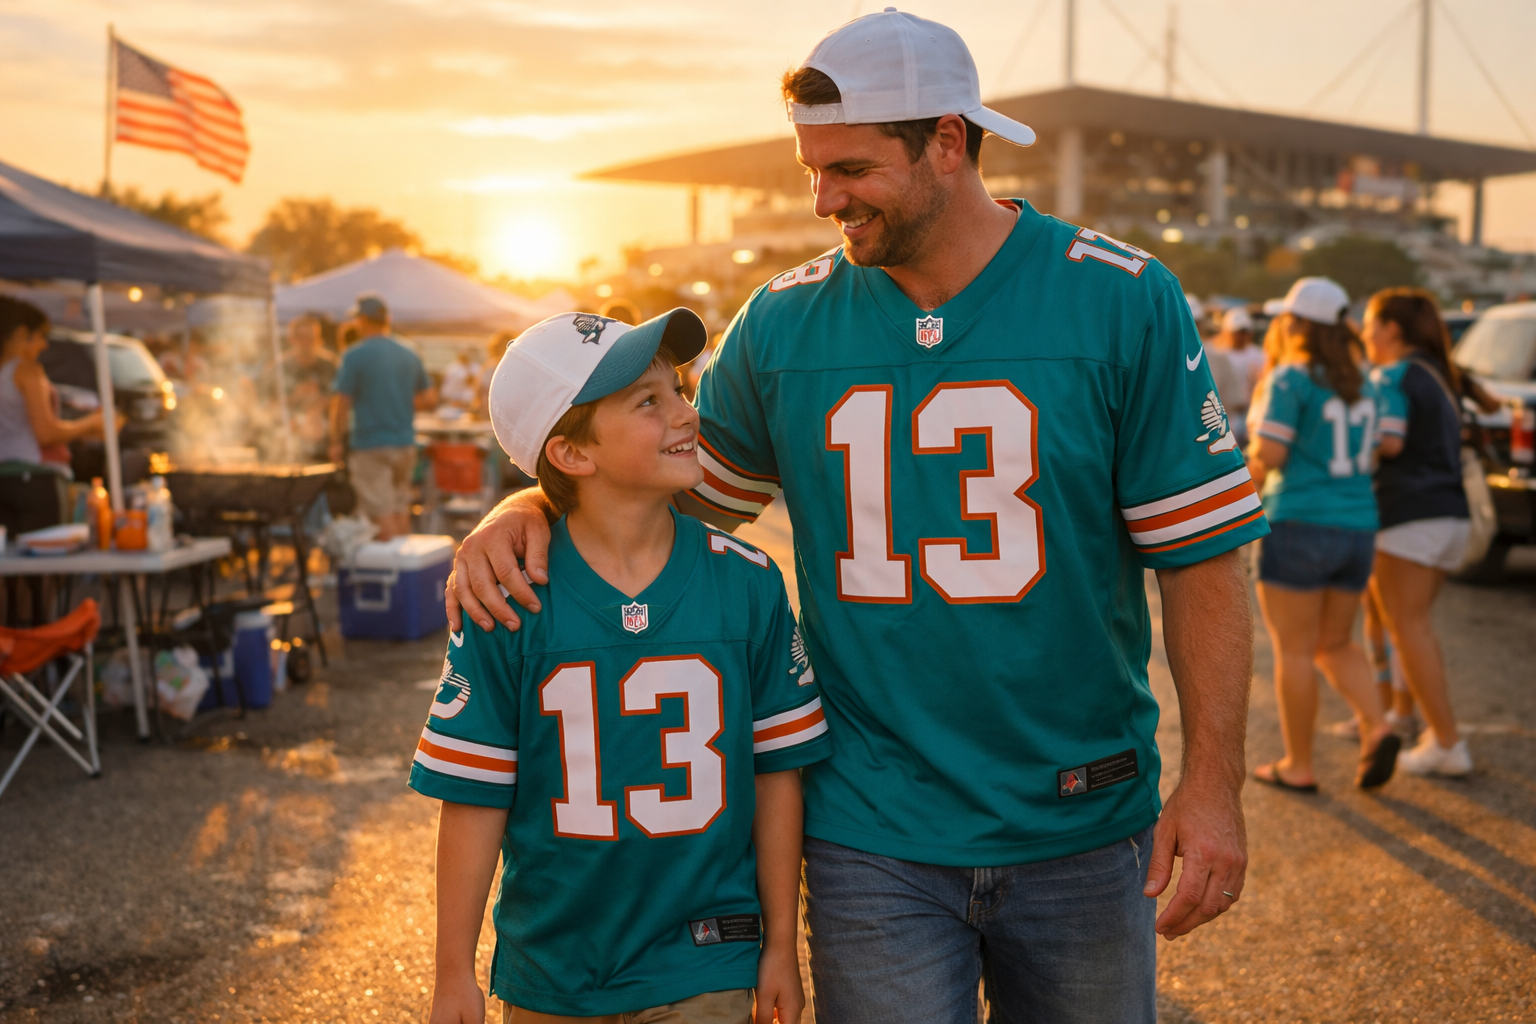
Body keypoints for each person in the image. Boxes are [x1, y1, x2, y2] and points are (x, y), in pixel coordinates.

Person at [446, 12, 1264, 1022]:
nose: (824, 198)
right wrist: (534, 500)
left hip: (1080, 816)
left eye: (851, 168)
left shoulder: (1121, 299)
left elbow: (1207, 561)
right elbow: (664, 497)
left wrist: (1215, 783)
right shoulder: (785, 320)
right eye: (812, 169)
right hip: (871, 824)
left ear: (949, 143)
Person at [415, 308, 827, 1024]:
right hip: (556, 970)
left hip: (706, 958)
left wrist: (780, 947)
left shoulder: (749, 581)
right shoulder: (510, 597)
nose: (685, 414)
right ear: (574, 454)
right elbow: (475, 796)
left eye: (679, 389)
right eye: (649, 401)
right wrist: (454, 972)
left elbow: (777, 775)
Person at [1244, 278, 1402, 792]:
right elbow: (1380, 450)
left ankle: (1298, 764)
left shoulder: (1291, 379)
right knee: (1337, 643)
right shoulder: (1370, 383)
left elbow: (1270, 457)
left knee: (1293, 650)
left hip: (1299, 523)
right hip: (1358, 526)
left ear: (1294, 323)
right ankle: (1378, 727)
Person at [1362, 287, 1498, 777]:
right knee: (1406, 624)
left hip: (1407, 513)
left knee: (1408, 627)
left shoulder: (1393, 373)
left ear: (1392, 329)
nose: (1364, 332)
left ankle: (1446, 742)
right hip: (1448, 515)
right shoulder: (1440, 372)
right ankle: (1405, 718)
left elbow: (1387, 444)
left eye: (1371, 322)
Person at [329, 294, 436, 539]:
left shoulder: (354, 355)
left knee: (381, 513)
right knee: (399, 509)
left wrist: (335, 441)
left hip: (370, 445)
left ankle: (398, 573)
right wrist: (398, 401)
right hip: (405, 444)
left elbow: (341, 403)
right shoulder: (410, 353)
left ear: (363, 320)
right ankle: (409, 570)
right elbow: (429, 399)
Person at [0, 296, 107, 537]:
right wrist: (92, 423)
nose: (44, 345)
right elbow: (45, 433)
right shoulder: (27, 371)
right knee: (46, 563)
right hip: (35, 479)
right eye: (40, 336)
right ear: (21, 333)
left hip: (3, 479)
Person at [272, 313, 338, 460]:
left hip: (325, 442)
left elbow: (342, 400)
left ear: (318, 339)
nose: (306, 343)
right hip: (290, 443)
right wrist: (295, 397)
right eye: (301, 337)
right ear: (292, 339)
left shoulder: (330, 366)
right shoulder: (281, 368)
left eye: (311, 338)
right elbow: (267, 407)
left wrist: (322, 402)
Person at [1216, 307, 1264, 447]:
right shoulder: (1219, 356)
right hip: (1226, 415)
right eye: (1237, 332)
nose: (1241, 336)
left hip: (1250, 414)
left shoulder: (1259, 356)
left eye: (1244, 332)